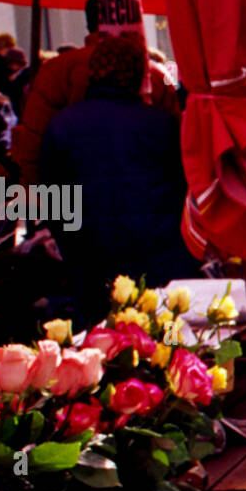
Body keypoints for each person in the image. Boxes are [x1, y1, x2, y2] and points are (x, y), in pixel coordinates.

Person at [40, 35, 198, 328]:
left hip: (90, 257)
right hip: (159, 254)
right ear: (138, 75)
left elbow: (53, 199)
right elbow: (184, 186)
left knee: (103, 347)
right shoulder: (161, 123)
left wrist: (71, 247)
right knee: (161, 342)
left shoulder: (62, 123)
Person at [11, 0, 180, 186]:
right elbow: (177, 151)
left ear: (88, 22)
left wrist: (46, 202)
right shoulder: (155, 74)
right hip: (150, 197)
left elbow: (34, 145)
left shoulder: (56, 71)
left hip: (76, 201)